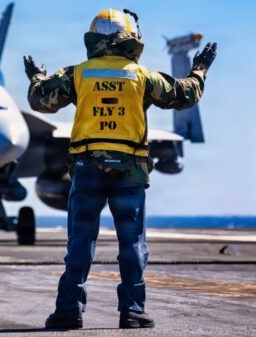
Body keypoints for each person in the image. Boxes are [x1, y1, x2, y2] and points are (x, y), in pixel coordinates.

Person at [24, 8, 217, 329]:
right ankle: (133, 311)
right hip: (130, 172)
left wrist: (36, 76)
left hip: (86, 170)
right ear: (131, 39)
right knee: (132, 243)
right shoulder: (142, 76)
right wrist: (200, 69)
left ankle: (69, 311)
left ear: (94, 38)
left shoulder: (78, 74)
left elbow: (40, 100)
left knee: (80, 242)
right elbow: (186, 94)